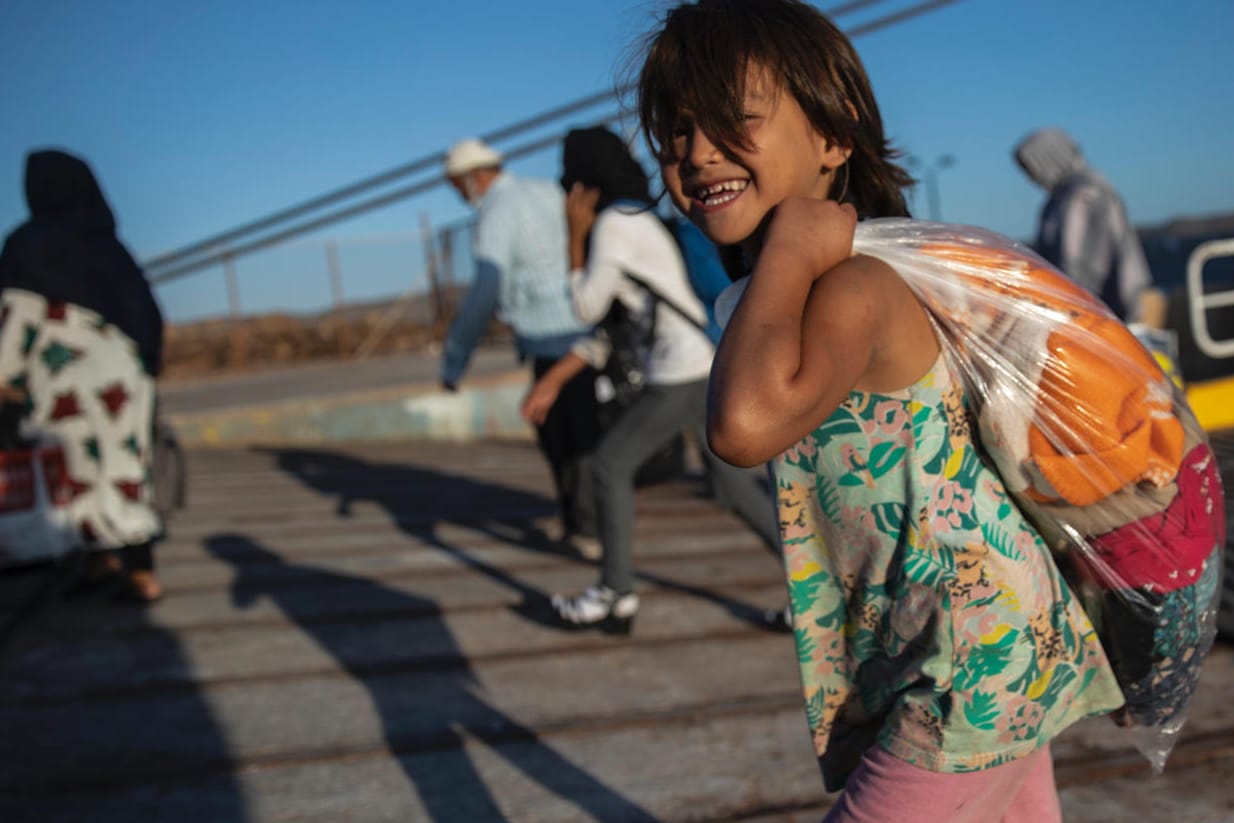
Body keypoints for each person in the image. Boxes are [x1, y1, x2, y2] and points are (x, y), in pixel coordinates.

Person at [636, 2, 1125, 820]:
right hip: (955, 646)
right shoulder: (780, 297)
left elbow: (743, 427)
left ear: (834, 137)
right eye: (676, 132)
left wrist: (792, 245)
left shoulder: (857, 287)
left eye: (731, 123)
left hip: (968, 661)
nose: (696, 153)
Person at [520, 125, 781, 633]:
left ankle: (616, 594)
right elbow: (614, 327)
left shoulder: (615, 225)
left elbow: (586, 306)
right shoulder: (638, 216)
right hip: (702, 362)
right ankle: (813, 593)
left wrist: (573, 240)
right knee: (733, 487)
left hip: (682, 370)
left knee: (608, 464)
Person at [0, 149, 166, 601]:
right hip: (123, 374)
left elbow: (17, 318)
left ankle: (98, 559)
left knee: (74, 468)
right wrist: (147, 365)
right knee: (125, 467)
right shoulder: (109, 245)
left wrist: (5, 376)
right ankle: (141, 572)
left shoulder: (26, 245)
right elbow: (147, 313)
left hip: (63, 379)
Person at [439, 138, 601, 557]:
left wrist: (456, 358)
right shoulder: (546, 190)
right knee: (580, 434)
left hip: (550, 341)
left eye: (456, 185)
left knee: (563, 441)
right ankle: (582, 523)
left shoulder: (495, 213)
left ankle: (587, 529)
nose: (458, 195)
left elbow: (485, 290)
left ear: (473, 177)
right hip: (585, 323)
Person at [1014, 127, 1155, 322]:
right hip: (1084, 306)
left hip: (1098, 310)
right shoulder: (1062, 196)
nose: (1031, 178)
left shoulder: (1083, 194)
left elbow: (1077, 264)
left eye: (1032, 168)